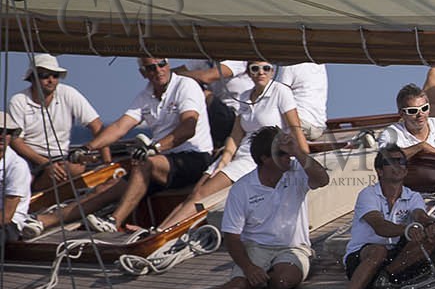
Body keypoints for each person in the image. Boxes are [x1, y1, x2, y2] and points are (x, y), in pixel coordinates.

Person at [163, 127, 329, 289]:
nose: (288, 157)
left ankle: (257, 283)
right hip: (255, 248)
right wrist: (250, 268)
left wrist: (298, 152)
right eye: (282, 153)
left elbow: (323, 179)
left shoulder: (297, 171)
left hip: (293, 247)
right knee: (239, 284)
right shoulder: (243, 188)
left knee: (283, 280)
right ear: (264, 159)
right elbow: (232, 237)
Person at [61, 56, 214, 234]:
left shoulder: (186, 86)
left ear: (168, 65)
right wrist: (87, 148)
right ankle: (42, 222)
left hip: (194, 159)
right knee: (105, 189)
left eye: (161, 64)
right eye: (151, 68)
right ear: (143, 73)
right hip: (162, 162)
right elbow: (120, 127)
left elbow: (188, 128)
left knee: (145, 163)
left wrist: (154, 149)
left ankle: (113, 220)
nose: (158, 70)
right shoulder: (144, 96)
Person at [156, 60, 305, 230]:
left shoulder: (280, 91)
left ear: (272, 72)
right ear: (248, 73)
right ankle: (159, 230)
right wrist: (224, 159)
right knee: (195, 194)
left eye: (266, 68)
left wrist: (303, 158)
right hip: (237, 154)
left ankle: (163, 233)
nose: (261, 72)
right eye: (255, 69)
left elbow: (295, 128)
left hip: (256, 158)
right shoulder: (244, 97)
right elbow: (236, 134)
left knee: (203, 195)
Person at [339, 147, 435, 289]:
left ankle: (384, 278)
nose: (398, 166)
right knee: (378, 251)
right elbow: (380, 226)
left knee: (433, 237)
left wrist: (430, 224)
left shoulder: (413, 196)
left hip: (393, 258)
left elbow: (420, 214)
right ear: (379, 171)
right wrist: (407, 229)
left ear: (406, 170)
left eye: (401, 162)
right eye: (390, 162)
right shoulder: (368, 194)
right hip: (362, 257)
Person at [6, 53, 109, 193]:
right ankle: (37, 192)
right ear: (32, 77)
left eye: (55, 76)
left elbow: (96, 126)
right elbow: (16, 141)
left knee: (77, 167)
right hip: (28, 158)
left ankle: (45, 193)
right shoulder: (18, 101)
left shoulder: (69, 93)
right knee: (22, 179)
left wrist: (107, 164)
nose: (51, 80)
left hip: (60, 157)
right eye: (44, 75)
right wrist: (46, 164)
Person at [0, 114, 40, 244]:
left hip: (8, 225)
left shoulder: (17, 166)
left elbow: (6, 216)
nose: (2, 136)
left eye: (8, 132)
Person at [275, 62, 328, 140]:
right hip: (318, 126)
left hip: (300, 124)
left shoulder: (289, 65)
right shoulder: (319, 64)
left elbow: (278, 95)